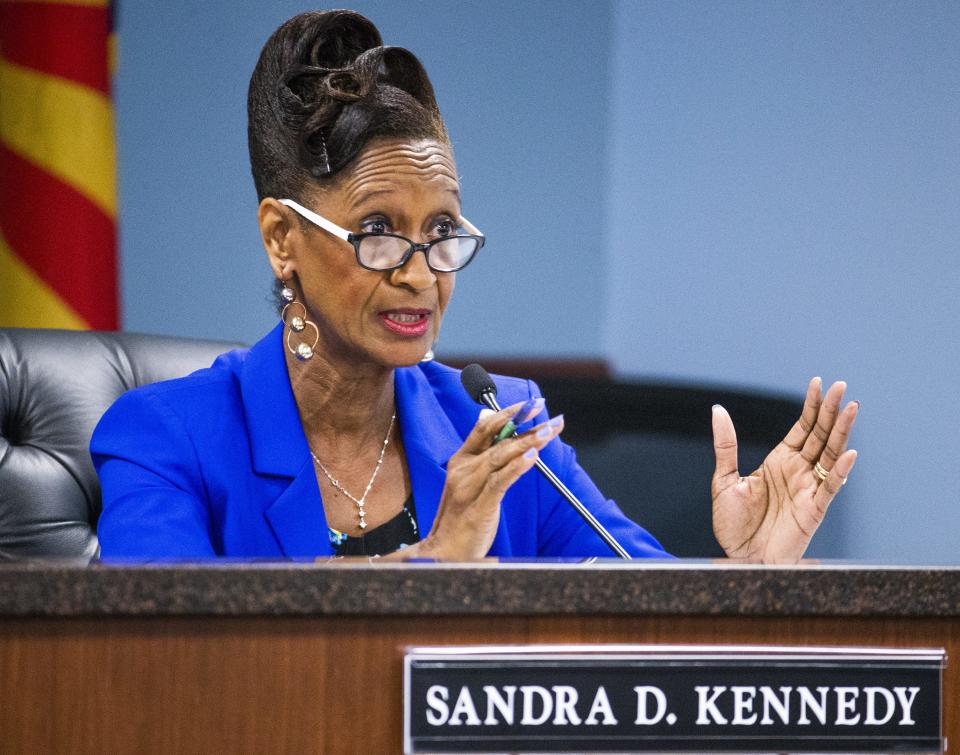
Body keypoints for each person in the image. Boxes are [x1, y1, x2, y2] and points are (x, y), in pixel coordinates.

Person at [91, 10, 859, 562]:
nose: (420, 274)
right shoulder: (167, 438)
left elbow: (638, 631)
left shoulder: (499, 426)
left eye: (442, 233)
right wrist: (437, 562)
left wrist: (743, 584)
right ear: (282, 239)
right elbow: (167, 674)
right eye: (380, 232)